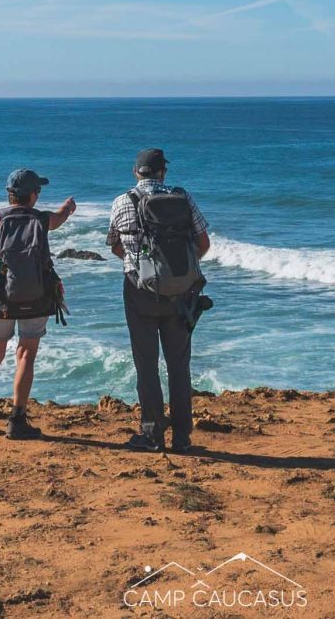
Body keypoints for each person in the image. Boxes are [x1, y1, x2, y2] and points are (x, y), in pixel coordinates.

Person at [107, 148, 211, 453]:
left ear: (136, 172)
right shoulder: (182, 197)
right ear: (162, 172)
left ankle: (152, 435)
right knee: (179, 365)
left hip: (139, 290)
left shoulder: (122, 201)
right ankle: (182, 438)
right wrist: (179, 271)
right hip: (181, 293)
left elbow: (115, 246)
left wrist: (143, 267)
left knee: (146, 364)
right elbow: (203, 242)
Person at [0, 168, 75, 439]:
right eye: (38, 190)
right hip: (37, 294)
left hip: (2, 296)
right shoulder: (41, 219)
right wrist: (67, 208)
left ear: (10, 194)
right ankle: (17, 419)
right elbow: (59, 219)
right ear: (33, 195)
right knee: (26, 353)